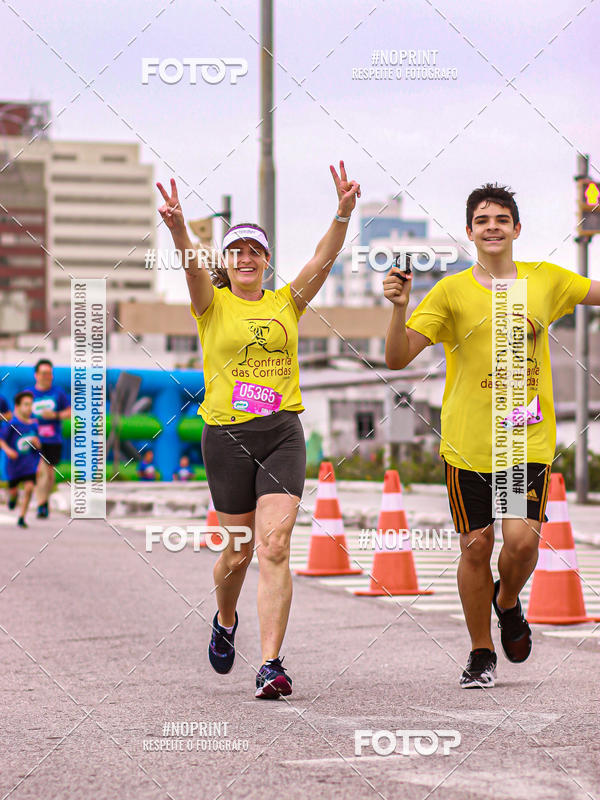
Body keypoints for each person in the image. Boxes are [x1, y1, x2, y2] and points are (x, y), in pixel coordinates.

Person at [157, 161, 360, 698]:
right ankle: (225, 620)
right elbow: (191, 269)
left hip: (281, 433)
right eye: (237, 251)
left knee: (274, 545)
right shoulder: (211, 305)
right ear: (227, 260)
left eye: (255, 251)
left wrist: (342, 213)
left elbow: (324, 258)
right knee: (239, 551)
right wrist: (178, 228)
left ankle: (271, 663)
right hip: (225, 437)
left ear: (267, 262)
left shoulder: (286, 303)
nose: (246, 259)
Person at [384, 183, 600, 689]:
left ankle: (507, 601)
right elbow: (396, 358)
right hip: (467, 443)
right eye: (482, 220)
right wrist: (398, 307)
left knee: (522, 543)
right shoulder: (451, 292)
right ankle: (481, 652)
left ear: (517, 228)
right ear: (470, 232)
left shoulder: (546, 281)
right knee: (476, 547)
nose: (493, 227)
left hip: (524, 442)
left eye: (501, 219)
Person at [27, 359, 71, 518]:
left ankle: (44, 500)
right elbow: (20, 414)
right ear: (36, 375)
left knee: (50, 474)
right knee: (40, 471)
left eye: (50, 373)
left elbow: (70, 412)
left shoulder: (58, 393)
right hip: (34, 438)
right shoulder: (29, 393)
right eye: (44, 373)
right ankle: (41, 505)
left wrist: (56, 415)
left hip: (53, 439)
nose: (47, 376)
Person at [0, 391, 41, 528]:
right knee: (14, 491)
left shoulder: (34, 425)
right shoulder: (12, 424)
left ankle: (22, 517)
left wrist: (37, 444)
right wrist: (8, 450)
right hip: (14, 465)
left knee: (29, 488)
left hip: (29, 464)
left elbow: (38, 447)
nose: (29, 408)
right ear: (17, 406)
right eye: (25, 405)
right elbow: (2, 440)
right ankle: (13, 498)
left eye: (31, 405)